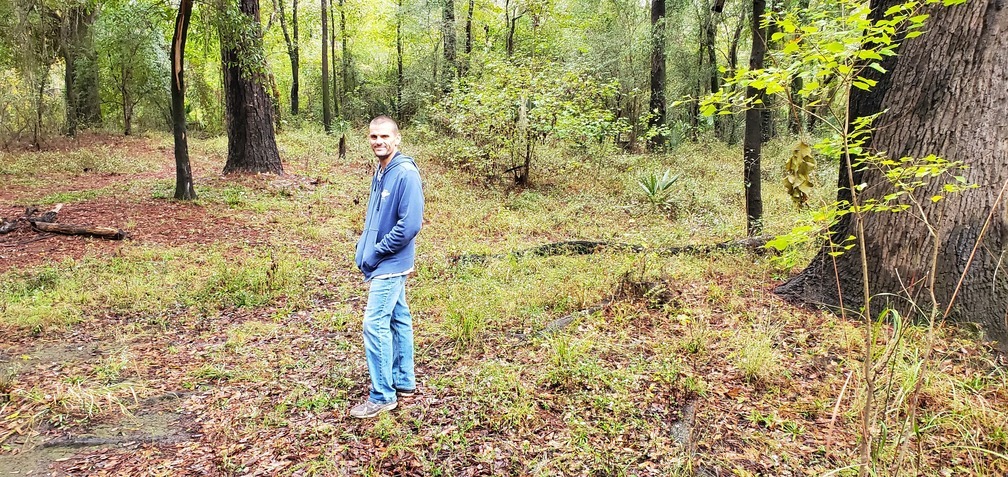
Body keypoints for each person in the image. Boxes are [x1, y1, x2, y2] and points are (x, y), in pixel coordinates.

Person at [350, 116, 424, 419]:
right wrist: (362, 248)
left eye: (384, 136)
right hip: (382, 260)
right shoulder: (381, 171)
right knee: (398, 318)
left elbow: (410, 225)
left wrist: (377, 252)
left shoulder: (405, 173)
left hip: (390, 263)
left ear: (397, 139)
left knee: (374, 323)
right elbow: (377, 218)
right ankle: (404, 382)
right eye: (373, 137)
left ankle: (382, 395)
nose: (378, 141)